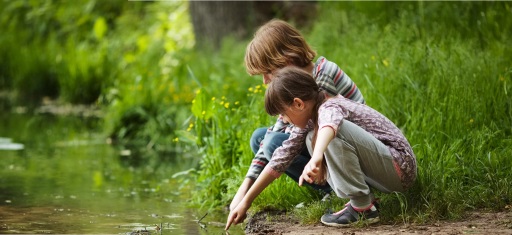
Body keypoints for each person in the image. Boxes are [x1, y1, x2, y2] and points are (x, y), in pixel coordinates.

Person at [225, 67, 417, 229]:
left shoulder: (329, 106)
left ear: (298, 104)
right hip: (384, 171)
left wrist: (316, 158)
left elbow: (329, 127)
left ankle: (362, 208)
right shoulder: (309, 121)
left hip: (399, 168)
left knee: (328, 135)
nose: (283, 120)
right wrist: (246, 201)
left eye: (283, 114)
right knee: (311, 137)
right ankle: (365, 202)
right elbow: (280, 159)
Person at [230, 19, 366, 214]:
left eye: (268, 72)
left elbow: (299, 137)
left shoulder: (322, 76)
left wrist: (248, 200)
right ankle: (330, 187)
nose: (265, 80)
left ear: (287, 59)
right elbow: (276, 131)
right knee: (260, 138)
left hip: (350, 149)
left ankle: (341, 188)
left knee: (273, 144)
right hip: (322, 142)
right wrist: (243, 190)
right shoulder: (292, 85)